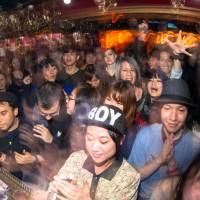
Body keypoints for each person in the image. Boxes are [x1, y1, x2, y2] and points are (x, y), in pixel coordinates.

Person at [32, 104, 140, 200]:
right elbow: (54, 191)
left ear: (121, 140)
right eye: (89, 138)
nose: (94, 147)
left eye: (103, 141)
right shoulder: (77, 158)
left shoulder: (129, 177)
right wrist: (51, 194)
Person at [128, 79, 200, 200]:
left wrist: (173, 165)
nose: (173, 117)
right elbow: (130, 177)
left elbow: (189, 186)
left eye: (181, 110)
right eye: (167, 108)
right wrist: (160, 159)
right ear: (160, 110)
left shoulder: (195, 146)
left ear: (188, 113)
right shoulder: (145, 135)